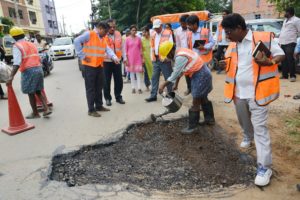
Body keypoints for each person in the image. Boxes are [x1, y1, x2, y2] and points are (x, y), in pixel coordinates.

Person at [220, 13, 285, 186]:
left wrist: (270, 62)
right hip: (238, 93)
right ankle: (248, 136)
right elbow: (231, 63)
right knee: (243, 120)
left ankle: (265, 167)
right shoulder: (233, 44)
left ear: (239, 28)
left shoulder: (262, 38)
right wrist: (224, 64)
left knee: (260, 129)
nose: (226, 35)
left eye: (228, 31)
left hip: (258, 93)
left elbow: (281, 55)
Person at [158, 41, 213, 134]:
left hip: (201, 75)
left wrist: (163, 84)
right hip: (201, 73)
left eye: (167, 55)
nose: (167, 58)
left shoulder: (180, 57)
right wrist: (176, 84)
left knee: (196, 101)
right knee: (202, 97)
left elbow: (175, 73)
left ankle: (193, 127)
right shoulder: (180, 52)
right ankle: (210, 119)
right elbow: (181, 71)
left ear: (171, 51)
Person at [74, 21, 118, 117]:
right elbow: (76, 41)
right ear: (100, 29)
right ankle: (91, 109)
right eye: (105, 31)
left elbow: (107, 49)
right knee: (91, 88)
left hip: (99, 65)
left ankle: (99, 106)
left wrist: (114, 57)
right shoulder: (90, 34)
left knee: (99, 87)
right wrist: (82, 55)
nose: (106, 34)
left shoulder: (102, 38)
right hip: (89, 66)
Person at [6, 27, 52, 118]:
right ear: (23, 34)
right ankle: (46, 109)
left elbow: (17, 62)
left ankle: (35, 113)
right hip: (39, 68)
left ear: (14, 37)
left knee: (30, 92)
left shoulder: (17, 46)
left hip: (29, 71)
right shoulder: (31, 44)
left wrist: (11, 77)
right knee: (38, 90)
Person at [186, 14, 216, 125]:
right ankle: (209, 118)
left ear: (195, 24)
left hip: (203, 62)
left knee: (198, 92)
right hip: (194, 63)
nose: (188, 27)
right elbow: (188, 47)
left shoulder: (206, 31)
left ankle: (195, 123)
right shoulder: (189, 34)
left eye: (189, 25)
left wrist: (204, 47)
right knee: (202, 93)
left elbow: (213, 42)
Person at [145, 19, 173, 102]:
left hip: (165, 60)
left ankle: (170, 95)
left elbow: (170, 45)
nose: (156, 29)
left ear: (161, 26)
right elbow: (152, 47)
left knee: (168, 78)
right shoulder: (153, 34)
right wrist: (152, 57)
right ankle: (153, 95)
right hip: (156, 59)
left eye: (157, 28)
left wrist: (168, 57)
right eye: (155, 28)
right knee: (154, 78)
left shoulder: (168, 33)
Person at [103, 19, 125, 106]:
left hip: (117, 61)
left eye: (114, 27)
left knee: (119, 80)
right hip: (106, 61)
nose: (112, 28)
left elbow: (122, 47)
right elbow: (103, 48)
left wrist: (124, 58)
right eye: (110, 27)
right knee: (106, 81)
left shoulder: (118, 34)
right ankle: (108, 98)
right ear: (107, 27)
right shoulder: (103, 35)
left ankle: (118, 96)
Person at [279, 7, 300, 82]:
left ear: (289, 12)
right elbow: (282, 31)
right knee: (283, 59)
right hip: (283, 43)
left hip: (290, 42)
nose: (284, 13)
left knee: (290, 59)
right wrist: (280, 42)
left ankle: (292, 76)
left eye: (286, 12)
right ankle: (285, 75)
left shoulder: (296, 20)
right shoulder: (285, 20)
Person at [124, 25, 143, 94]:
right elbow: (125, 50)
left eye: (135, 30)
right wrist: (126, 59)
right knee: (131, 73)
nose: (134, 31)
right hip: (130, 58)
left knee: (138, 73)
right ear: (130, 31)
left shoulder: (139, 38)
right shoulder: (127, 39)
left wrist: (142, 58)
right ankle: (133, 88)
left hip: (137, 58)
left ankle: (139, 88)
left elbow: (141, 48)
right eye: (132, 30)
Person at [175, 14, 190, 95]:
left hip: (192, 54)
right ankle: (189, 88)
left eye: (183, 23)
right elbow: (177, 44)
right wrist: (178, 55)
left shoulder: (191, 30)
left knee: (193, 71)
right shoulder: (177, 30)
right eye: (181, 23)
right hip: (183, 55)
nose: (182, 25)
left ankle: (193, 88)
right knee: (186, 72)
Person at [215, 9, 230, 74]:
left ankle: (228, 68)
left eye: (224, 14)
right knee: (217, 55)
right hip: (221, 42)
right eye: (222, 14)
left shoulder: (231, 22)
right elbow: (217, 32)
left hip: (228, 42)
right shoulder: (220, 22)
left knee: (228, 55)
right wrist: (216, 41)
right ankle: (220, 68)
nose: (223, 15)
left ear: (228, 15)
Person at [141, 26, 153, 91]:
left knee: (154, 71)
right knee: (146, 72)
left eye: (144, 32)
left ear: (148, 32)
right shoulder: (142, 40)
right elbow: (141, 50)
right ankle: (147, 85)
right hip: (145, 58)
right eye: (142, 32)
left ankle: (154, 84)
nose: (143, 34)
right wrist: (142, 58)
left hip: (152, 57)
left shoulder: (152, 38)